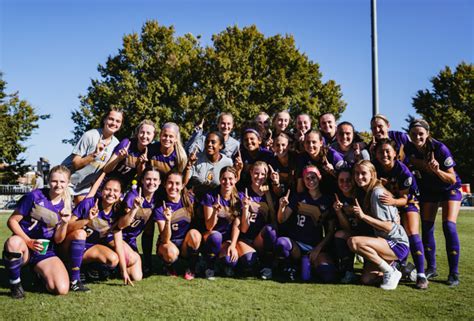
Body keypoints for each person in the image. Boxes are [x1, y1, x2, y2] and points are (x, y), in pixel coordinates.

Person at [405, 119, 462, 287]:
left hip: (448, 188)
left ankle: (454, 273)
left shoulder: (440, 148)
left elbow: (451, 178)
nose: (417, 137)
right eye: (414, 134)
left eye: (421, 134)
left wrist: (437, 171)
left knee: (448, 226)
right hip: (429, 190)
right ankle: (431, 267)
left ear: (427, 134)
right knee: (427, 226)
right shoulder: (408, 148)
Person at [2, 165, 72, 299]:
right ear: (48, 180)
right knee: (13, 242)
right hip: (24, 246)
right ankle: (15, 284)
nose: (58, 185)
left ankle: (39, 274)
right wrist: (28, 241)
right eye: (54, 181)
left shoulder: (66, 204)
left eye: (62, 182)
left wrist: (64, 223)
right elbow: (12, 221)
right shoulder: (34, 196)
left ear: (68, 183)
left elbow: (58, 240)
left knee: (60, 289)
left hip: (44, 250)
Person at [348, 160, 409, 290]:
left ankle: (391, 271)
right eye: (356, 173)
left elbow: (388, 226)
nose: (359, 177)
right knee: (367, 279)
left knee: (353, 242)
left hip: (396, 243)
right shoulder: (367, 191)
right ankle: (403, 270)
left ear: (373, 174)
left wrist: (364, 216)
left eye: (363, 173)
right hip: (384, 241)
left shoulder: (377, 193)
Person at [374, 139, 428, 289]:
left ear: (395, 154)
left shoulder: (403, 171)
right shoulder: (376, 168)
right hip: (388, 204)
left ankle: (421, 275)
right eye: (380, 152)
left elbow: (404, 199)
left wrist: (393, 202)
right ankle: (398, 266)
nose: (384, 154)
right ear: (376, 155)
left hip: (406, 202)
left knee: (412, 232)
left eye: (387, 151)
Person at [64, 177, 132, 291]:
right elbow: (66, 228)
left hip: (89, 247)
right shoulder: (88, 203)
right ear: (101, 190)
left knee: (113, 259)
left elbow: (118, 244)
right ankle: (73, 278)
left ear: (120, 194)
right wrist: (86, 220)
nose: (111, 193)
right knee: (81, 233)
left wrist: (124, 271)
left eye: (115, 191)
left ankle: (85, 269)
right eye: (107, 189)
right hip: (69, 245)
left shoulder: (117, 211)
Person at [275, 166, 337, 283]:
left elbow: (330, 230)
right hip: (296, 245)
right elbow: (281, 219)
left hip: (314, 246)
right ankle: (292, 265)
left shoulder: (327, 201)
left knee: (328, 274)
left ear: (319, 178)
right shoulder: (298, 197)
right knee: (281, 243)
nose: (310, 181)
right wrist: (281, 207)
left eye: (313, 177)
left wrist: (318, 249)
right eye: (307, 178)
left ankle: (308, 266)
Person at [143, 122, 188, 273]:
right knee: (148, 227)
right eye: (164, 135)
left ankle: (169, 253)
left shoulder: (179, 155)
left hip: (168, 192)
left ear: (176, 139)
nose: (167, 138)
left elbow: (180, 179)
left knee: (171, 223)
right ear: (160, 135)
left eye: (171, 136)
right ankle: (147, 261)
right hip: (152, 193)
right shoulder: (151, 149)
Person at [106, 167, 162, 281]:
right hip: (116, 236)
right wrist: (134, 209)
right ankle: (102, 267)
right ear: (142, 180)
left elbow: (148, 231)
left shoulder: (156, 199)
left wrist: (148, 260)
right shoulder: (133, 196)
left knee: (137, 276)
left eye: (155, 180)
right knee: (132, 258)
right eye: (148, 179)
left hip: (131, 240)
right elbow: (121, 225)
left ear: (160, 182)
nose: (152, 182)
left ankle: (121, 265)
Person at [62, 108, 124, 204]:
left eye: (118, 121)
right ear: (104, 120)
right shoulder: (90, 136)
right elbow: (76, 164)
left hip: (84, 187)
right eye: (111, 119)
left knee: (83, 215)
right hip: (66, 182)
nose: (114, 123)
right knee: (62, 215)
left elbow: (105, 171)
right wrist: (94, 155)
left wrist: (118, 159)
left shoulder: (116, 144)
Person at [154, 171, 202, 280]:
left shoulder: (189, 200)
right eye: (170, 183)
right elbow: (165, 239)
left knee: (195, 234)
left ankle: (192, 268)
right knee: (171, 252)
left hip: (185, 243)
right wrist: (167, 221)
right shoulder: (160, 207)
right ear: (165, 184)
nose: (173, 187)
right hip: (168, 244)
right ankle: (168, 267)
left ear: (182, 186)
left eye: (177, 183)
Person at [237, 161, 278, 280]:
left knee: (270, 230)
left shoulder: (268, 193)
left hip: (260, 238)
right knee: (249, 263)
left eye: (263, 174)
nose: (259, 177)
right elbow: (244, 228)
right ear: (250, 172)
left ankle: (267, 265)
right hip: (246, 237)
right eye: (256, 173)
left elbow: (274, 219)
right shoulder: (243, 192)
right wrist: (245, 208)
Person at [200, 166, 242, 278]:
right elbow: (209, 227)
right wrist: (215, 213)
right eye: (224, 178)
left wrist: (232, 245)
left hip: (227, 239)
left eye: (230, 179)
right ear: (219, 179)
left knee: (231, 261)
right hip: (211, 236)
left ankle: (221, 263)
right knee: (216, 236)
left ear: (236, 179)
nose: (227, 182)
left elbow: (237, 225)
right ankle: (209, 265)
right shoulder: (210, 196)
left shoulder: (239, 198)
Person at [333, 169, 372, 284]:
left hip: (369, 237)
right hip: (353, 235)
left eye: (348, 180)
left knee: (367, 278)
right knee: (340, 235)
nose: (345, 184)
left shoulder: (362, 195)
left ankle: (396, 265)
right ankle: (348, 271)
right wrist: (339, 212)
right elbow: (346, 229)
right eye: (341, 180)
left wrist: (360, 215)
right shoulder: (337, 197)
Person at [103, 119, 156, 189]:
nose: (144, 136)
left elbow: (139, 178)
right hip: (106, 183)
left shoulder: (150, 152)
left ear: (153, 136)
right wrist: (119, 159)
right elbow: (106, 169)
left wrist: (142, 165)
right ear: (137, 133)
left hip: (122, 188)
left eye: (148, 133)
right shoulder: (126, 143)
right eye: (142, 132)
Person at [184, 131, 234, 197]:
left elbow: (232, 183)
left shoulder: (227, 162)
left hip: (217, 199)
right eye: (207, 142)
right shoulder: (195, 159)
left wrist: (239, 171)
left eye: (213, 142)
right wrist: (188, 166)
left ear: (221, 146)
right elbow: (184, 183)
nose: (209, 144)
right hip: (195, 197)